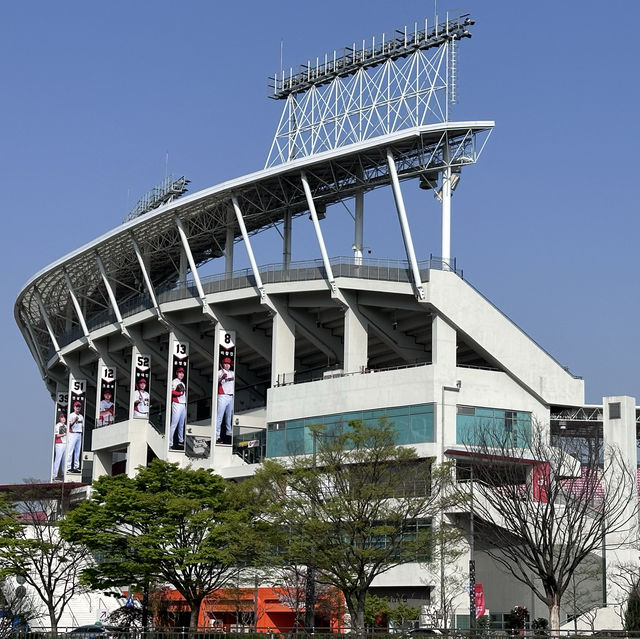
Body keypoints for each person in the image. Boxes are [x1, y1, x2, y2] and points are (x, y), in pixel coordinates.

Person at [216, 357, 235, 444]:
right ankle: (217, 435)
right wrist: (222, 378)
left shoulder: (232, 373)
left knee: (229, 416)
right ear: (223, 364)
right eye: (225, 363)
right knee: (220, 417)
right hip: (222, 395)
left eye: (228, 364)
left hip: (231, 396)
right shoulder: (219, 372)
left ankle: (229, 432)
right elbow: (216, 382)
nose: (227, 365)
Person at [169, 367, 187, 449]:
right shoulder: (174, 381)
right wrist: (178, 393)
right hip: (177, 403)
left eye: (182, 373)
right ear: (177, 373)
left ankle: (181, 440)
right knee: (174, 424)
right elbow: (171, 391)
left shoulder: (182, 383)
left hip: (183, 404)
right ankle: (170, 442)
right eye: (180, 372)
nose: (181, 374)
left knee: (181, 424)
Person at [67, 401, 83, 473]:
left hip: (79, 433)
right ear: (74, 407)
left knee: (77, 451)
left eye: (79, 406)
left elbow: (82, 426)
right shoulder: (71, 415)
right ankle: (68, 467)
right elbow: (68, 426)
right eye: (77, 406)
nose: (78, 408)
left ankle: (76, 467)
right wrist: (74, 421)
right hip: (72, 433)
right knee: (70, 451)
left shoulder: (81, 416)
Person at [52, 413, 66, 480]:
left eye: (64, 417)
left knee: (64, 460)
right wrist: (64, 434)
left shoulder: (66, 426)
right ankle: (54, 475)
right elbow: (56, 435)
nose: (63, 418)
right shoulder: (58, 425)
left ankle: (64, 474)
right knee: (58, 459)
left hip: (65, 443)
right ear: (59, 418)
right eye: (62, 417)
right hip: (59, 443)